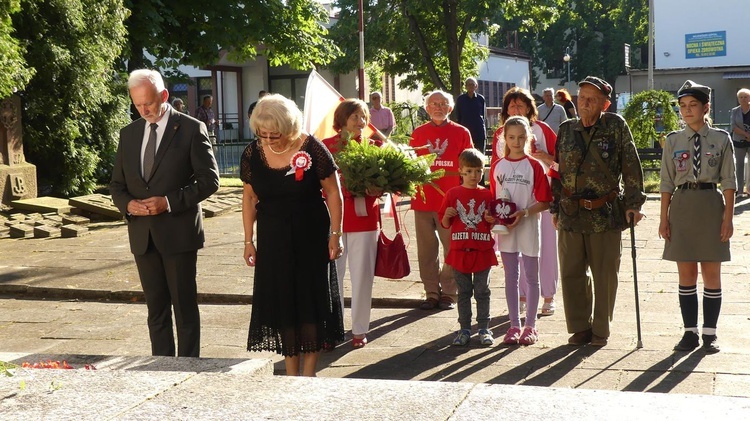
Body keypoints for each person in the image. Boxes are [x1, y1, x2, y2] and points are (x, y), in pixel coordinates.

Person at [110, 69, 220, 357]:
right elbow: (117, 186)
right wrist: (127, 205)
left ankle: (188, 367)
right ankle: (160, 365)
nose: (143, 110)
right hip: (143, 235)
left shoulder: (191, 128)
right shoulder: (129, 133)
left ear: (164, 95)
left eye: (148, 103)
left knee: (184, 308)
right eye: (137, 105)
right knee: (155, 309)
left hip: (178, 233)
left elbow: (209, 180)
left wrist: (168, 202)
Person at [241, 93, 344, 376]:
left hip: (310, 235)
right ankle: (289, 372)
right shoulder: (252, 153)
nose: (268, 140)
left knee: (309, 302)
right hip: (273, 238)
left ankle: (308, 374)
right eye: (262, 135)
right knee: (283, 301)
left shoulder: (313, 148)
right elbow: (249, 198)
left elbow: (334, 193)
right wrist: (248, 240)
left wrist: (336, 233)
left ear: (289, 127)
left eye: (274, 135)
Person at [551, 76, 646, 347]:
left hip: (604, 213)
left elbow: (630, 166)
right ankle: (579, 327)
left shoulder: (615, 126)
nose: (584, 103)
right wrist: (554, 207)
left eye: (591, 99)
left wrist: (633, 205)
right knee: (571, 273)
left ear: (605, 103)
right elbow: (557, 171)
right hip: (570, 212)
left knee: (605, 274)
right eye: (581, 98)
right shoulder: (567, 129)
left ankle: (601, 329)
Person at [659, 80, 735, 354]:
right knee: (686, 273)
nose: (687, 110)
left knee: (711, 273)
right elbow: (666, 181)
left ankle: (710, 334)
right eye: (682, 106)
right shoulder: (672, 140)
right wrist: (663, 218)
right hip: (682, 205)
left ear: (706, 107)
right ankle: (689, 332)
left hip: (710, 205)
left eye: (693, 105)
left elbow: (729, 181)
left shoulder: (721, 139)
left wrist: (728, 217)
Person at [490, 87, 559, 317]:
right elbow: (495, 166)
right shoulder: (500, 132)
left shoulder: (543, 130)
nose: (516, 109)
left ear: (530, 107)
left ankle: (547, 295)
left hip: (540, 200)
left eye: (520, 105)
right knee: (512, 252)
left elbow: (562, 163)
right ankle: (521, 296)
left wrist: (545, 158)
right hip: (508, 202)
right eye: (511, 105)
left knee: (544, 248)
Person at [322, 99, 383, 349]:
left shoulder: (374, 147)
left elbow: (386, 183)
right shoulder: (325, 147)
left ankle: (359, 330)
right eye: (355, 117)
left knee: (362, 277)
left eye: (364, 117)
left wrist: (378, 188)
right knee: (331, 278)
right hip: (330, 220)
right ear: (342, 119)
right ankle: (331, 330)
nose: (361, 122)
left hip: (365, 218)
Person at [410, 90, 474, 311]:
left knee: (452, 249)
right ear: (426, 108)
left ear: (450, 108)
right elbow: (408, 165)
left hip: (451, 204)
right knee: (426, 251)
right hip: (423, 201)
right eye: (433, 103)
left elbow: (472, 167)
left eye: (443, 103)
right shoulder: (417, 134)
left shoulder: (462, 133)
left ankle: (448, 292)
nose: (438, 107)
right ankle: (431, 292)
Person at [493, 116, 552, 345]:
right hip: (506, 229)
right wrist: (493, 216)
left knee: (531, 277)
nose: (516, 142)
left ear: (528, 137)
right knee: (510, 277)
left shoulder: (535, 165)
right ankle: (513, 325)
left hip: (528, 226)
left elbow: (545, 202)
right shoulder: (498, 166)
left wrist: (524, 213)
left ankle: (531, 326)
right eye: (511, 137)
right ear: (504, 138)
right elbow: (493, 199)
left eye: (520, 137)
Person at [439, 148, 498, 347]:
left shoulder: (488, 195)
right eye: (470, 171)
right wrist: (447, 215)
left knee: (483, 291)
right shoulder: (452, 194)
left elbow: (492, 222)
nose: (474, 176)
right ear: (461, 171)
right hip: (459, 252)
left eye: (479, 171)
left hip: (481, 251)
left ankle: (484, 328)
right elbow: (444, 223)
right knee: (463, 293)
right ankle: (464, 328)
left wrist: (491, 220)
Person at [455, 77, 487, 152]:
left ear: (476, 86)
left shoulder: (480, 99)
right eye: (469, 84)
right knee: (465, 156)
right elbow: (458, 116)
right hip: (465, 131)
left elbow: (483, 115)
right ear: (465, 86)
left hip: (479, 132)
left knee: (480, 155)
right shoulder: (460, 99)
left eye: (473, 84)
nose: (471, 86)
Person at [730, 88, 750, 197]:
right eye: (741, 97)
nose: (743, 99)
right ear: (738, 99)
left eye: (746, 97)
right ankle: (740, 190)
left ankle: (749, 189)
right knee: (739, 165)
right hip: (739, 141)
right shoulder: (735, 111)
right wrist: (746, 135)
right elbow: (733, 126)